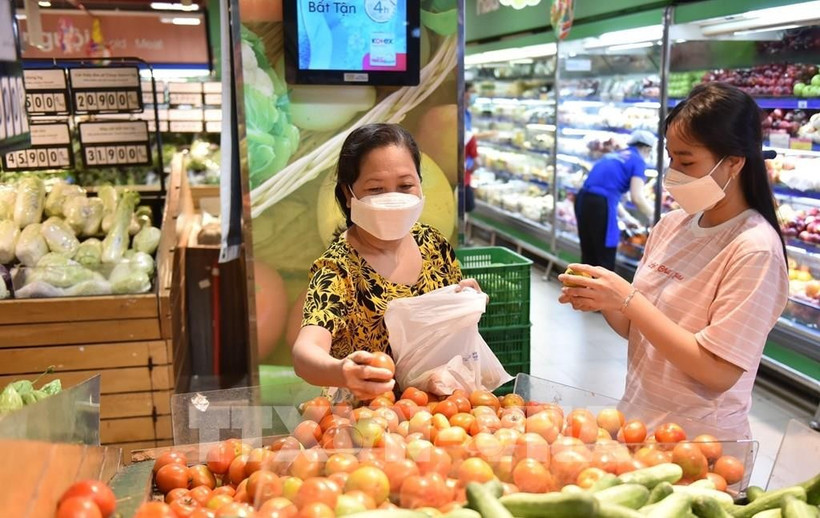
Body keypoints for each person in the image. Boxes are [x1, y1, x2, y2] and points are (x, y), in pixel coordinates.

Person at [558, 82, 789, 439]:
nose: (673, 172)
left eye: (686, 161)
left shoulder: (754, 249)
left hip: (699, 445)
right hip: (637, 426)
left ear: (734, 163)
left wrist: (629, 300)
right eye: (670, 157)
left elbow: (718, 371)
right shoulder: (671, 226)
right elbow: (640, 330)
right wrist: (602, 298)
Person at [292, 123, 482, 400]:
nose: (393, 198)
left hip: (438, 413)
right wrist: (342, 372)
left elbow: (444, 332)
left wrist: (464, 304)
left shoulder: (434, 245)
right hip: (366, 422)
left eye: (405, 186)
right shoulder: (337, 269)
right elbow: (305, 353)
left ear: (420, 184)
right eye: (376, 189)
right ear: (348, 194)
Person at [575, 129, 657, 270]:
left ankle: (582, 290)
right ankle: (600, 291)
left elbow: (605, 192)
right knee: (604, 256)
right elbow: (636, 197)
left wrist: (627, 218)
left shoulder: (614, 155)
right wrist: (655, 217)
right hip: (600, 205)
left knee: (589, 253)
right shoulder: (638, 161)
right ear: (646, 149)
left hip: (583, 199)